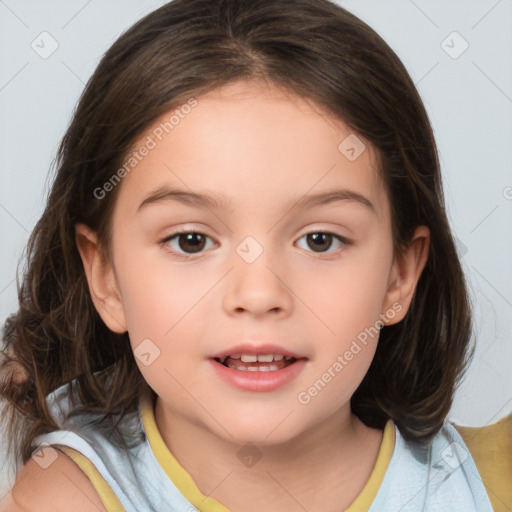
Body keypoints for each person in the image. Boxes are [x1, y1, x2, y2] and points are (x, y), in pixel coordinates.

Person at [0, 0, 497, 510]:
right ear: (104, 275)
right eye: (191, 240)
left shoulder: (490, 483)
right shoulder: (63, 499)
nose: (258, 295)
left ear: (400, 274)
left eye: (320, 240)